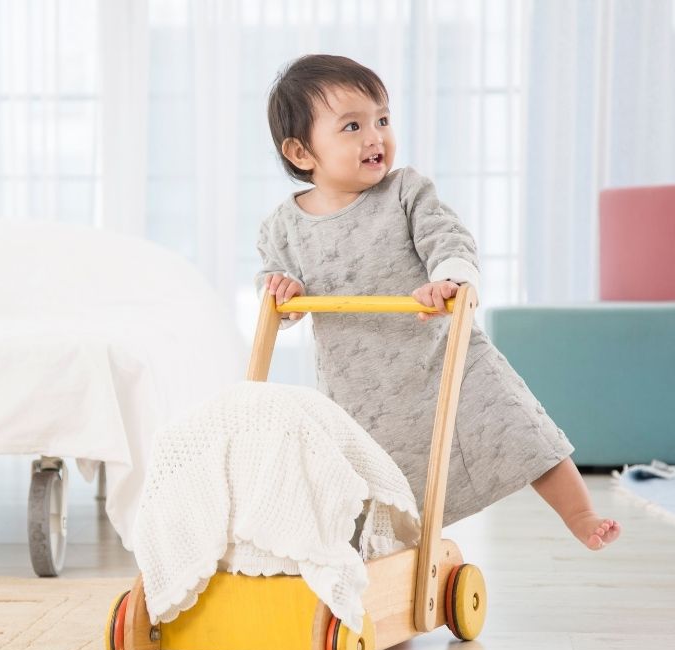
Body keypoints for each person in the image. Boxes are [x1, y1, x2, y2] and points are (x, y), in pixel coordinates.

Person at [256, 54, 620, 550]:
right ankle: (373, 562)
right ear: (302, 152)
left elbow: (448, 239)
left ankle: (580, 514)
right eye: (352, 126)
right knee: (370, 478)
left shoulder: (405, 190)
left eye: (382, 120)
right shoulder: (283, 226)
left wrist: (446, 280)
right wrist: (284, 294)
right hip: (364, 387)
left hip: (444, 356)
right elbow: (280, 290)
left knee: (519, 427)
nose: (375, 137)